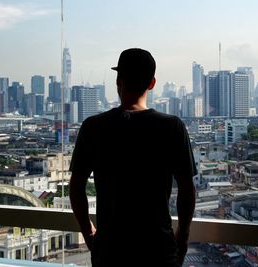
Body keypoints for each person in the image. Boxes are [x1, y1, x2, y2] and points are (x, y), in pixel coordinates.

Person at [69, 48, 197, 267]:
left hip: (110, 250)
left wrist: (90, 234)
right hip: (158, 249)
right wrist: (182, 237)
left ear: (118, 81)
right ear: (152, 83)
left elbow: (76, 187)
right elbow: (187, 189)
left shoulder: (94, 127)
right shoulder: (171, 127)